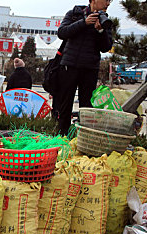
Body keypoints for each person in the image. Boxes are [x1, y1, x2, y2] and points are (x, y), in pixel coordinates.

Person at [55, 0, 113, 135]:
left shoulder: (105, 21)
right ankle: (62, 137)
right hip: (69, 66)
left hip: (90, 68)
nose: (108, 3)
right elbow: (62, 32)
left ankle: (83, 138)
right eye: (106, 0)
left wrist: (101, 31)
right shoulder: (75, 14)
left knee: (87, 107)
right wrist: (84, 23)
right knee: (65, 105)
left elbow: (106, 47)